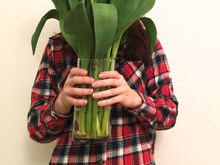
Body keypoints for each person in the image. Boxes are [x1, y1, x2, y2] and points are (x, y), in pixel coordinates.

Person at [27, 20, 179, 165]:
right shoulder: (59, 47)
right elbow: (36, 130)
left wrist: (136, 100)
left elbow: (169, 114)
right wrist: (61, 103)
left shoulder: (146, 42)